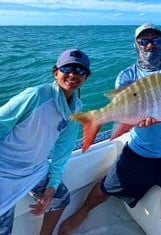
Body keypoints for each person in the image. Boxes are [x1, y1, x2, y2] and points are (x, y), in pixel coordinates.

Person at [58, 23, 161, 235]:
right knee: (106, 187)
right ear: (136, 45)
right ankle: (82, 212)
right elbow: (126, 109)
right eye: (143, 41)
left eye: (155, 40)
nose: (150, 45)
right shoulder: (127, 75)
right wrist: (131, 118)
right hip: (140, 152)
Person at [0, 48, 91, 235]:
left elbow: (64, 149)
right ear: (55, 72)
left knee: (60, 199)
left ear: (86, 77)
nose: (73, 74)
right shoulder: (35, 95)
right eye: (67, 69)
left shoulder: (76, 108)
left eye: (80, 70)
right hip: (4, 171)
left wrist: (52, 184)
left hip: (34, 170)